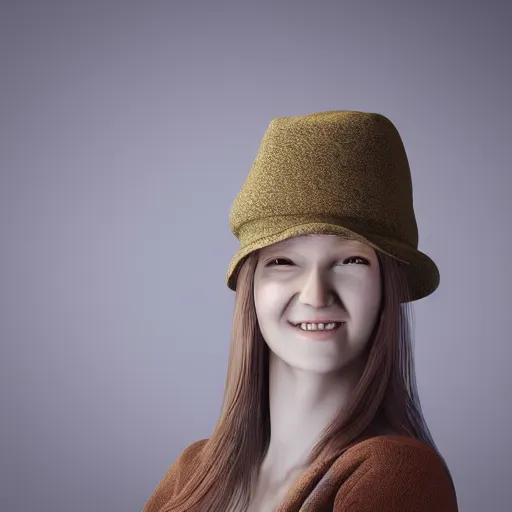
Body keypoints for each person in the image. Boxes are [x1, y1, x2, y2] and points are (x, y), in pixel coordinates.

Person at [142, 110, 459, 511]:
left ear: (387, 286)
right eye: (283, 262)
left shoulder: (394, 474)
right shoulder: (191, 474)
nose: (315, 293)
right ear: (250, 286)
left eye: (351, 261)